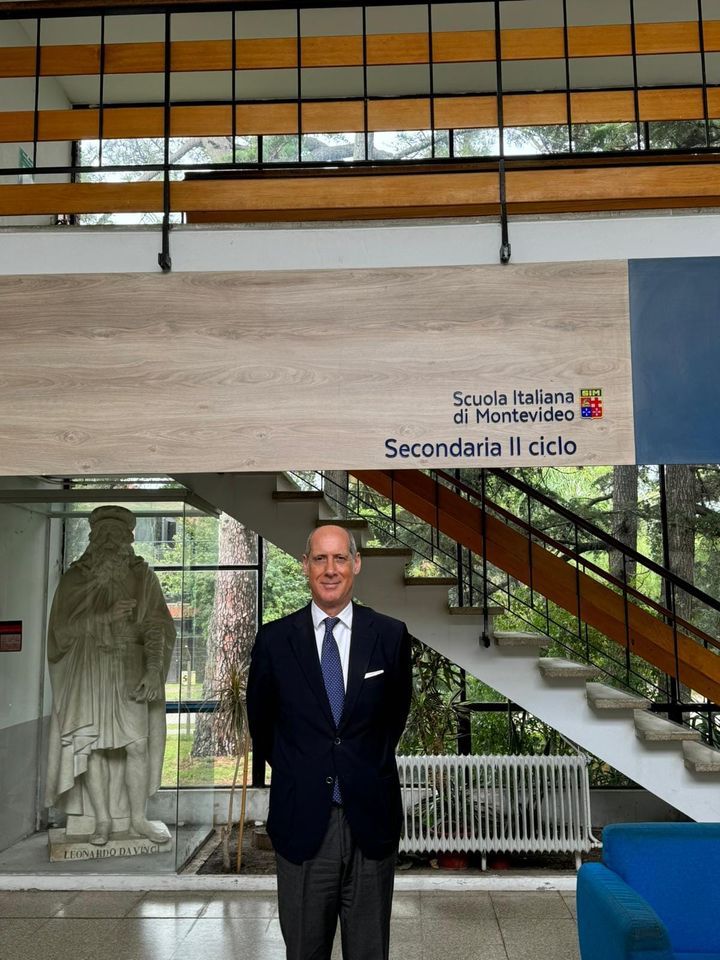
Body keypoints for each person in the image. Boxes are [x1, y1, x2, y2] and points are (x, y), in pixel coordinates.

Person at [247, 524, 412, 960]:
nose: (330, 569)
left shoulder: (390, 636)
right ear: (305, 566)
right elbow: (262, 725)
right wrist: (301, 770)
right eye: (319, 558)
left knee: (369, 951)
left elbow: (394, 718)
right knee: (305, 950)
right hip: (302, 822)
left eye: (340, 558)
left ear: (356, 564)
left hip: (370, 823)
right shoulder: (275, 641)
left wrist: (358, 766)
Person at [45, 505, 176, 846]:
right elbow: (61, 632)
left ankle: (137, 819)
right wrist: (104, 617)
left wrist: (153, 669)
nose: (110, 542)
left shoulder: (142, 576)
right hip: (90, 671)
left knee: (137, 745)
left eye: (117, 535)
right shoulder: (75, 578)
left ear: (128, 539)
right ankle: (102, 820)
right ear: (93, 538)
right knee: (94, 749)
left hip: (130, 668)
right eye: (103, 535)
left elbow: (157, 626)